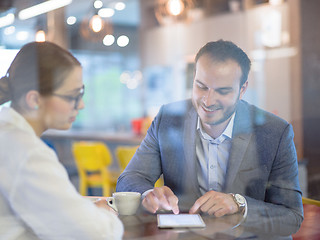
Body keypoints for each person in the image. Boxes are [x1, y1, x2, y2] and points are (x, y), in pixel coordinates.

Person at [117, 40, 303, 236]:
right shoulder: (168, 119)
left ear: (242, 89)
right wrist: (149, 194)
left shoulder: (275, 132)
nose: (208, 100)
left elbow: (291, 217)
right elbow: (130, 178)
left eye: (222, 91)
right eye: (201, 86)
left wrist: (240, 204)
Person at [0, 42, 123, 240]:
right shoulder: (28, 153)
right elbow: (95, 234)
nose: (80, 105)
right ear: (34, 100)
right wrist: (103, 214)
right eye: (73, 96)